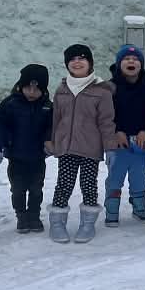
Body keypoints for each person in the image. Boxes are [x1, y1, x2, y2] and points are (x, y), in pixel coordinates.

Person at [50, 43, 116, 244]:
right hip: (66, 147)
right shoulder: (62, 90)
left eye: (81, 58)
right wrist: (53, 142)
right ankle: (57, 223)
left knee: (88, 185)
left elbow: (106, 121)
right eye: (72, 59)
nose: (77, 62)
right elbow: (56, 119)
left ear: (90, 63)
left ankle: (87, 224)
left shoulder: (102, 91)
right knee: (63, 185)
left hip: (90, 148)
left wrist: (110, 147)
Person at [0, 63, 53, 233]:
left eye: (37, 89)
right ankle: (21, 215)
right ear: (20, 86)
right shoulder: (10, 103)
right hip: (16, 157)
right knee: (18, 189)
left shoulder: (48, 106)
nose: (32, 92)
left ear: (44, 89)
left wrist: (49, 140)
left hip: (38, 157)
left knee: (36, 189)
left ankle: (34, 216)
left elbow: (52, 126)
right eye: (28, 88)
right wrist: (3, 142)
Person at [106, 44, 145, 226]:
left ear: (141, 65)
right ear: (119, 63)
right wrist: (117, 130)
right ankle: (111, 211)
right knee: (115, 178)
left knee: (139, 177)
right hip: (117, 143)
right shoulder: (110, 87)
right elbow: (105, 114)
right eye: (127, 59)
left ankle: (139, 208)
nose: (131, 61)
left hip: (141, 142)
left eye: (136, 59)